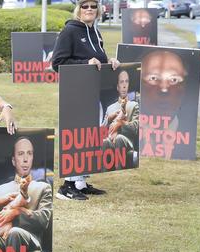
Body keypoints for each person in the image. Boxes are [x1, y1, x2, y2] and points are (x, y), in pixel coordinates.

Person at [51, 0, 120, 200]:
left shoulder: (95, 33)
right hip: (75, 92)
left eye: (92, 6)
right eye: (85, 6)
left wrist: (110, 62)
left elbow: (99, 59)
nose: (89, 9)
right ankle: (67, 187)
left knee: (90, 136)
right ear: (78, 9)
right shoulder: (69, 32)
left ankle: (80, 183)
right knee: (76, 136)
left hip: (93, 94)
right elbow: (57, 63)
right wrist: (84, 63)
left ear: (98, 10)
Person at [140, 50, 188, 159]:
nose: (164, 89)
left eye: (174, 79)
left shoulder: (189, 136)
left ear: (185, 87)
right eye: (153, 78)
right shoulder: (123, 134)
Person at [102, 69, 139, 168]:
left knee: (119, 138)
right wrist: (109, 119)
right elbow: (101, 130)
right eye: (121, 82)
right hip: (111, 139)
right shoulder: (110, 108)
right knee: (105, 142)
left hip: (127, 141)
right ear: (117, 86)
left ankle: (119, 170)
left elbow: (136, 128)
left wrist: (121, 123)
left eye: (126, 81)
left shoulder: (134, 105)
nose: (124, 85)